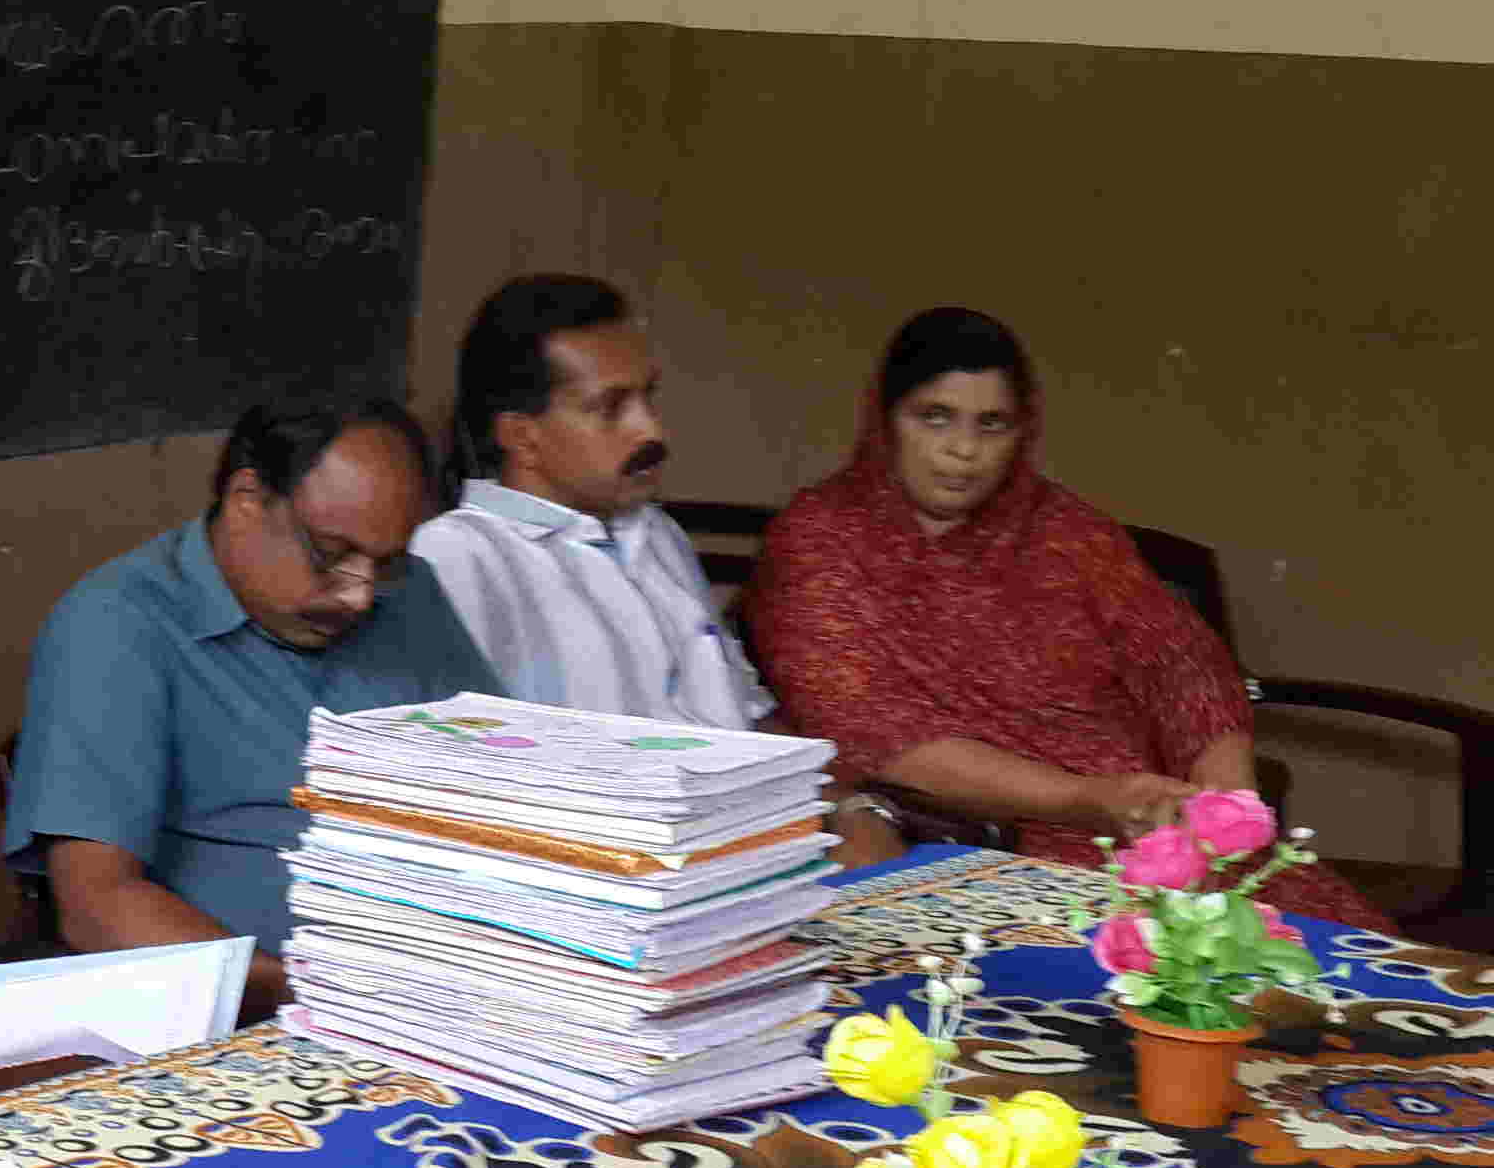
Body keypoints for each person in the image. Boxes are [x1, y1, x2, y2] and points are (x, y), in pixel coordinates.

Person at [747, 305, 1387, 927]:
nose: (963, 450)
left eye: (992, 424)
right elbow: (877, 729)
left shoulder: (1069, 533)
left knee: (1332, 960)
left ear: (1024, 431)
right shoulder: (820, 539)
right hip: (990, 848)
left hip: (1159, 830)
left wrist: (1225, 798)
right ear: (885, 420)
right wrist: (1090, 800)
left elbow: (1181, 663)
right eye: (935, 418)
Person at [3, 398, 499, 1012]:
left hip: (455, 979)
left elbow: (510, 792)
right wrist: (320, 994)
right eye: (330, 554)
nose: (359, 595)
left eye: (385, 562)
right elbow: (97, 906)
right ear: (246, 500)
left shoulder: (408, 594)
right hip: (260, 1011)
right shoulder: (118, 626)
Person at [414, 273, 906, 861]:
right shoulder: (459, 556)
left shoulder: (655, 535)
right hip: (615, 874)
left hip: (751, 853)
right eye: (611, 408)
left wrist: (847, 808)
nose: (652, 430)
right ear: (522, 437)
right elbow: (458, 783)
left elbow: (747, 720)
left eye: (649, 397)